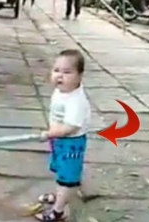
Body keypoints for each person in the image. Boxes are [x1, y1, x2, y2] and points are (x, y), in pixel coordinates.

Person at [35, 49, 91, 221]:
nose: (60, 76)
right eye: (56, 70)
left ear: (79, 76)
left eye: (67, 72)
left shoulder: (76, 101)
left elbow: (70, 128)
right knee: (61, 172)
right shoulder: (62, 91)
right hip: (59, 139)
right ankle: (60, 195)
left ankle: (58, 211)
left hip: (70, 143)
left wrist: (48, 133)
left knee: (67, 178)